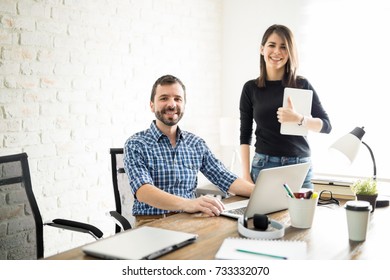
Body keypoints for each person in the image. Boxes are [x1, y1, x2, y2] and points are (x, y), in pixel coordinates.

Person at [124, 74, 254, 226]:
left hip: (189, 221)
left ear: (184, 104)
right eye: (164, 98)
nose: (172, 104)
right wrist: (188, 204)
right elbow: (143, 192)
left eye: (178, 99)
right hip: (151, 222)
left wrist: (267, 192)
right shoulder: (135, 144)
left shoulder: (196, 144)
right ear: (152, 105)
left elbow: (226, 178)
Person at [239, 24, 332, 188]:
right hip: (264, 166)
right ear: (262, 49)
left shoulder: (302, 84)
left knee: (301, 214)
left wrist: (299, 119)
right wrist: (246, 175)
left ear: (290, 52)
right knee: (262, 214)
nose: (277, 52)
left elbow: (326, 126)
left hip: (299, 165)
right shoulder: (250, 88)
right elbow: (245, 134)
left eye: (284, 47)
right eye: (272, 45)